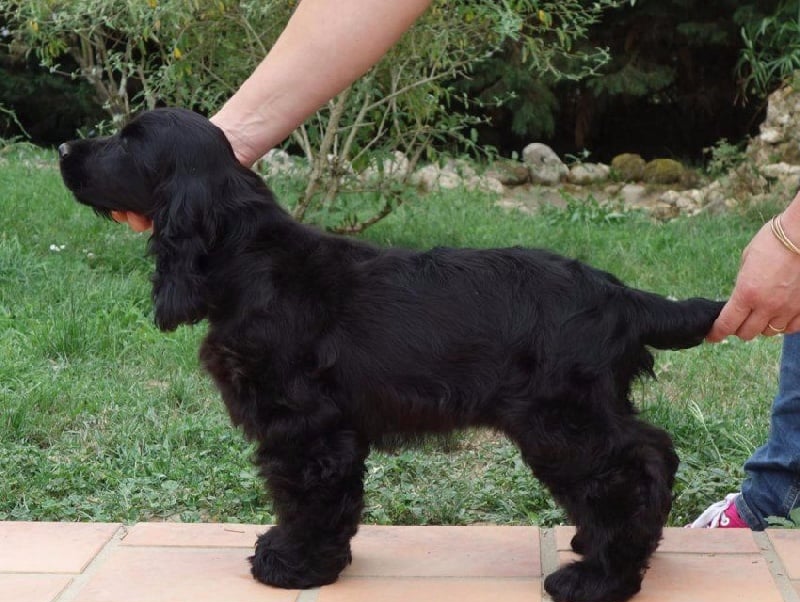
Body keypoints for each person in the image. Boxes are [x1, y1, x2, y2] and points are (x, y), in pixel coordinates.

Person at [111, 0, 800, 529]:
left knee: (572, 436)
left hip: (544, 329)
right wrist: (225, 140)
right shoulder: (275, 293)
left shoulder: (285, 304)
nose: (86, 156)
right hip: (540, 308)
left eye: (126, 149)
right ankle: (666, 477)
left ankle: (627, 499)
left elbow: (314, 442)